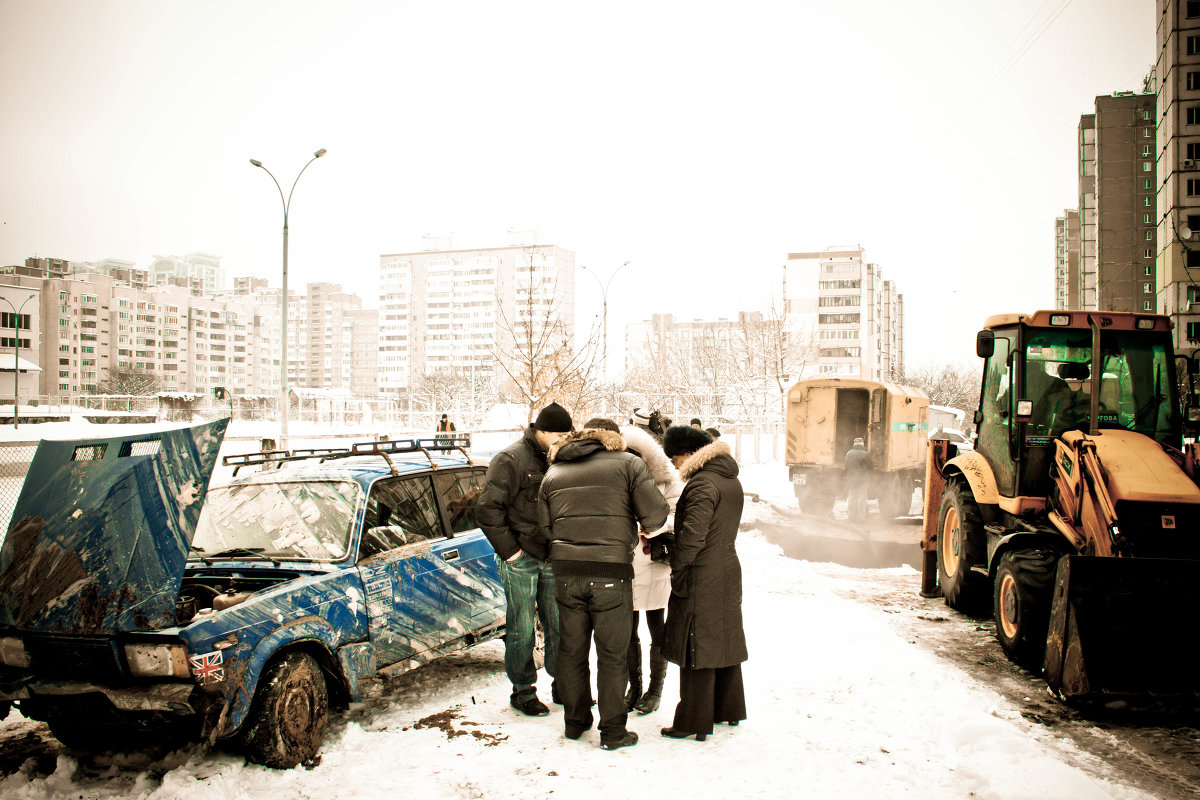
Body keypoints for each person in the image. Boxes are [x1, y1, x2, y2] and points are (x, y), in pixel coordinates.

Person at [537, 421, 670, 750]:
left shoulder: (553, 473)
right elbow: (655, 518)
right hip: (611, 573)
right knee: (612, 656)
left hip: (566, 574)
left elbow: (544, 525)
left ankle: (575, 721)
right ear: (612, 439)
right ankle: (612, 731)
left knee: (572, 652)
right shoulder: (628, 464)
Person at [477, 402, 573, 717]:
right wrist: (512, 553)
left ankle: (564, 684)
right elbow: (487, 509)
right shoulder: (510, 459)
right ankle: (523, 691)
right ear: (539, 431)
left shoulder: (561, 457)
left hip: (551, 555)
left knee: (558, 622)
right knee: (521, 627)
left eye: (567, 434)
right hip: (521, 556)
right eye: (559, 434)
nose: (564, 439)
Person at [585, 417, 684, 715]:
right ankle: (634, 686)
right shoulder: (615, 475)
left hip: (653, 561)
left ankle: (655, 689)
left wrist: (655, 527)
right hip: (623, 562)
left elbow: (679, 514)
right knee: (626, 630)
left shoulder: (667, 481)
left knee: (657, 628)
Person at [660, 425, 747, 742]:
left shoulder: (701, 485)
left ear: (688, 454)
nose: (674, 465)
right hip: (726, 568)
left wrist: (676, 566)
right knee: (722, 639)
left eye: (675, 458)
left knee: (694, 643)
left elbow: (693, 539)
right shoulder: (729, 478)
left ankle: (692, 721)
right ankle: (728, 709)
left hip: (702, 573)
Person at [845, 437, 871, 522]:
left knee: (851, 497)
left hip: (851, 479)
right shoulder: (865, 454)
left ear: (854, 444)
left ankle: (851, 517)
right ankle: (860, 518)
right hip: (862, 480)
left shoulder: (848, 453)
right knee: (861, 498)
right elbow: (870, 467)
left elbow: (846, 466)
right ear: (862, 444)